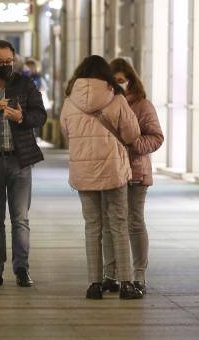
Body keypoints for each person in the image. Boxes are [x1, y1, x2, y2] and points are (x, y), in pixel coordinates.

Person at [60, 55, 143, 300]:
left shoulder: (69, 102)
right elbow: (131, 133)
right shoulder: (116, 98)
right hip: (113, 169)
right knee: (118, 224)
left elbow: (67, 133)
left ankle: (94, 284)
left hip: (83, 172)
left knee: (92, 226)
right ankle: (127, 283)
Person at [0, 40, 46, 288]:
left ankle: (22, 269)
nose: (5, 66)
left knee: (20, 219)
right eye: (0, 62)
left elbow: (40, 115)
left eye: (9, 62)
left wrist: (22, 117)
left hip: (19, 161)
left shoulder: (25, 84)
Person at [103, 58, 164, 295]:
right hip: (110, 171)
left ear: (130, 80)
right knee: (110, 224)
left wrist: (133, 144)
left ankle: (139, 275)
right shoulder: (103, 103)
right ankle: (111, 274)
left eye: (121, 81)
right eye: (114, 81)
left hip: (136, 171)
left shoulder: (142, 105)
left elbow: (156, 137)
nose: (118, 86)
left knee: (134, 222)